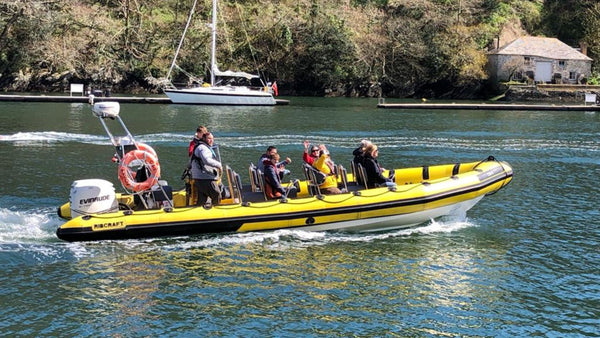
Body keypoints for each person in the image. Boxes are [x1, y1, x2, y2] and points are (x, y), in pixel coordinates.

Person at [190, 132, 222, 208]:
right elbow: (207, 160)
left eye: (212, 139)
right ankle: (216, 212)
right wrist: (219, 165)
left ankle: (199, 214)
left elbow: (190, 161)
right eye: (209, 139)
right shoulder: (203, 148)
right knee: (216, 194)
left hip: (199, 177)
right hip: (205, 178)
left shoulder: (199, 147)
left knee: (202, 199)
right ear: (204, 139)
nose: (211, 140)